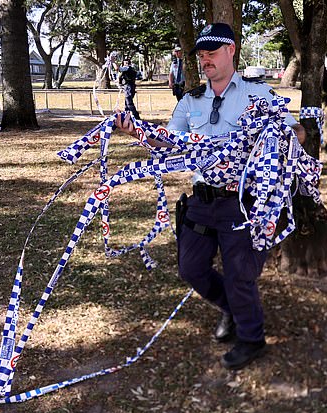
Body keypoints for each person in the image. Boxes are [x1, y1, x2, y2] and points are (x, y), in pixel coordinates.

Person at [115, 23, 306, 371]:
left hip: (242, 204)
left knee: (240, 274)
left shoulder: (257, 94)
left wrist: (285, 137)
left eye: (211, 53)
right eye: (201, 55)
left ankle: (251, 337)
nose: (205, 61)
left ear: (231, 50)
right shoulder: (191, 101)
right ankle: (231, 309)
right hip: (202, 203)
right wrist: (138, 131)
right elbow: (168, 141)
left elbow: (297, 132)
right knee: (191, 269)